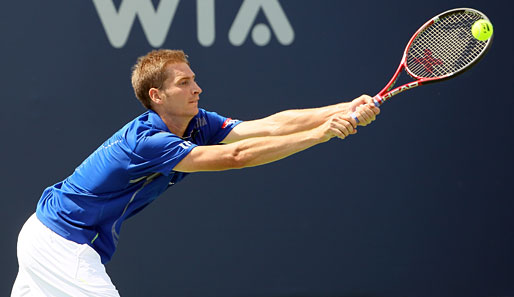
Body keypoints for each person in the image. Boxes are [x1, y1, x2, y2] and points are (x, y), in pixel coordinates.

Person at [11, 49, 380, 296]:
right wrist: (321, 133)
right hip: (63, 243)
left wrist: (344, 107)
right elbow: (236, 155)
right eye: (184, 83)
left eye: (194, 79)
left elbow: (267, 125)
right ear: (156, 96)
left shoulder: (196, 122)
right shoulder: (148, 141)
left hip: (43, 232)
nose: (197, 88)